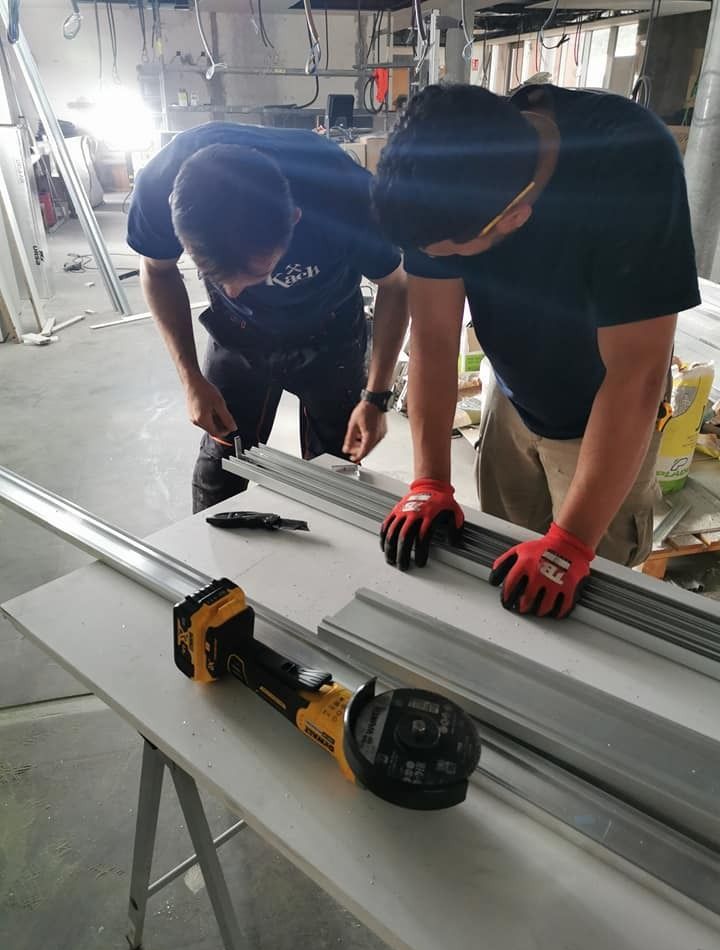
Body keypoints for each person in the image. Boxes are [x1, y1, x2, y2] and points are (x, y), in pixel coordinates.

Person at [372, 83, 700, 618]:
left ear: (514, 217)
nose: (443, 261)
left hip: (606, 406)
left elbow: (637, 371)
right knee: (504, 556)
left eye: (454, 253)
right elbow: (433, 337)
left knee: (589, 595)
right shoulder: (446, 174)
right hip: (511, 391)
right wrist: (430, 478)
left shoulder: (629, 162)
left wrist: (571, 543)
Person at [127, 123, 407, 512]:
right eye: (218, 278)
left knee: (336, 474)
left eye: (255, 275)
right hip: (238, 335)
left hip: (331, 330)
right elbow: (157, 271)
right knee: (221, 466)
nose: (236, 292)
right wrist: (190, 378)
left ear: (294, 219)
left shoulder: (348, 198)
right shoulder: (162, 186)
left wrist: (376, 397)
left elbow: (396, 287)